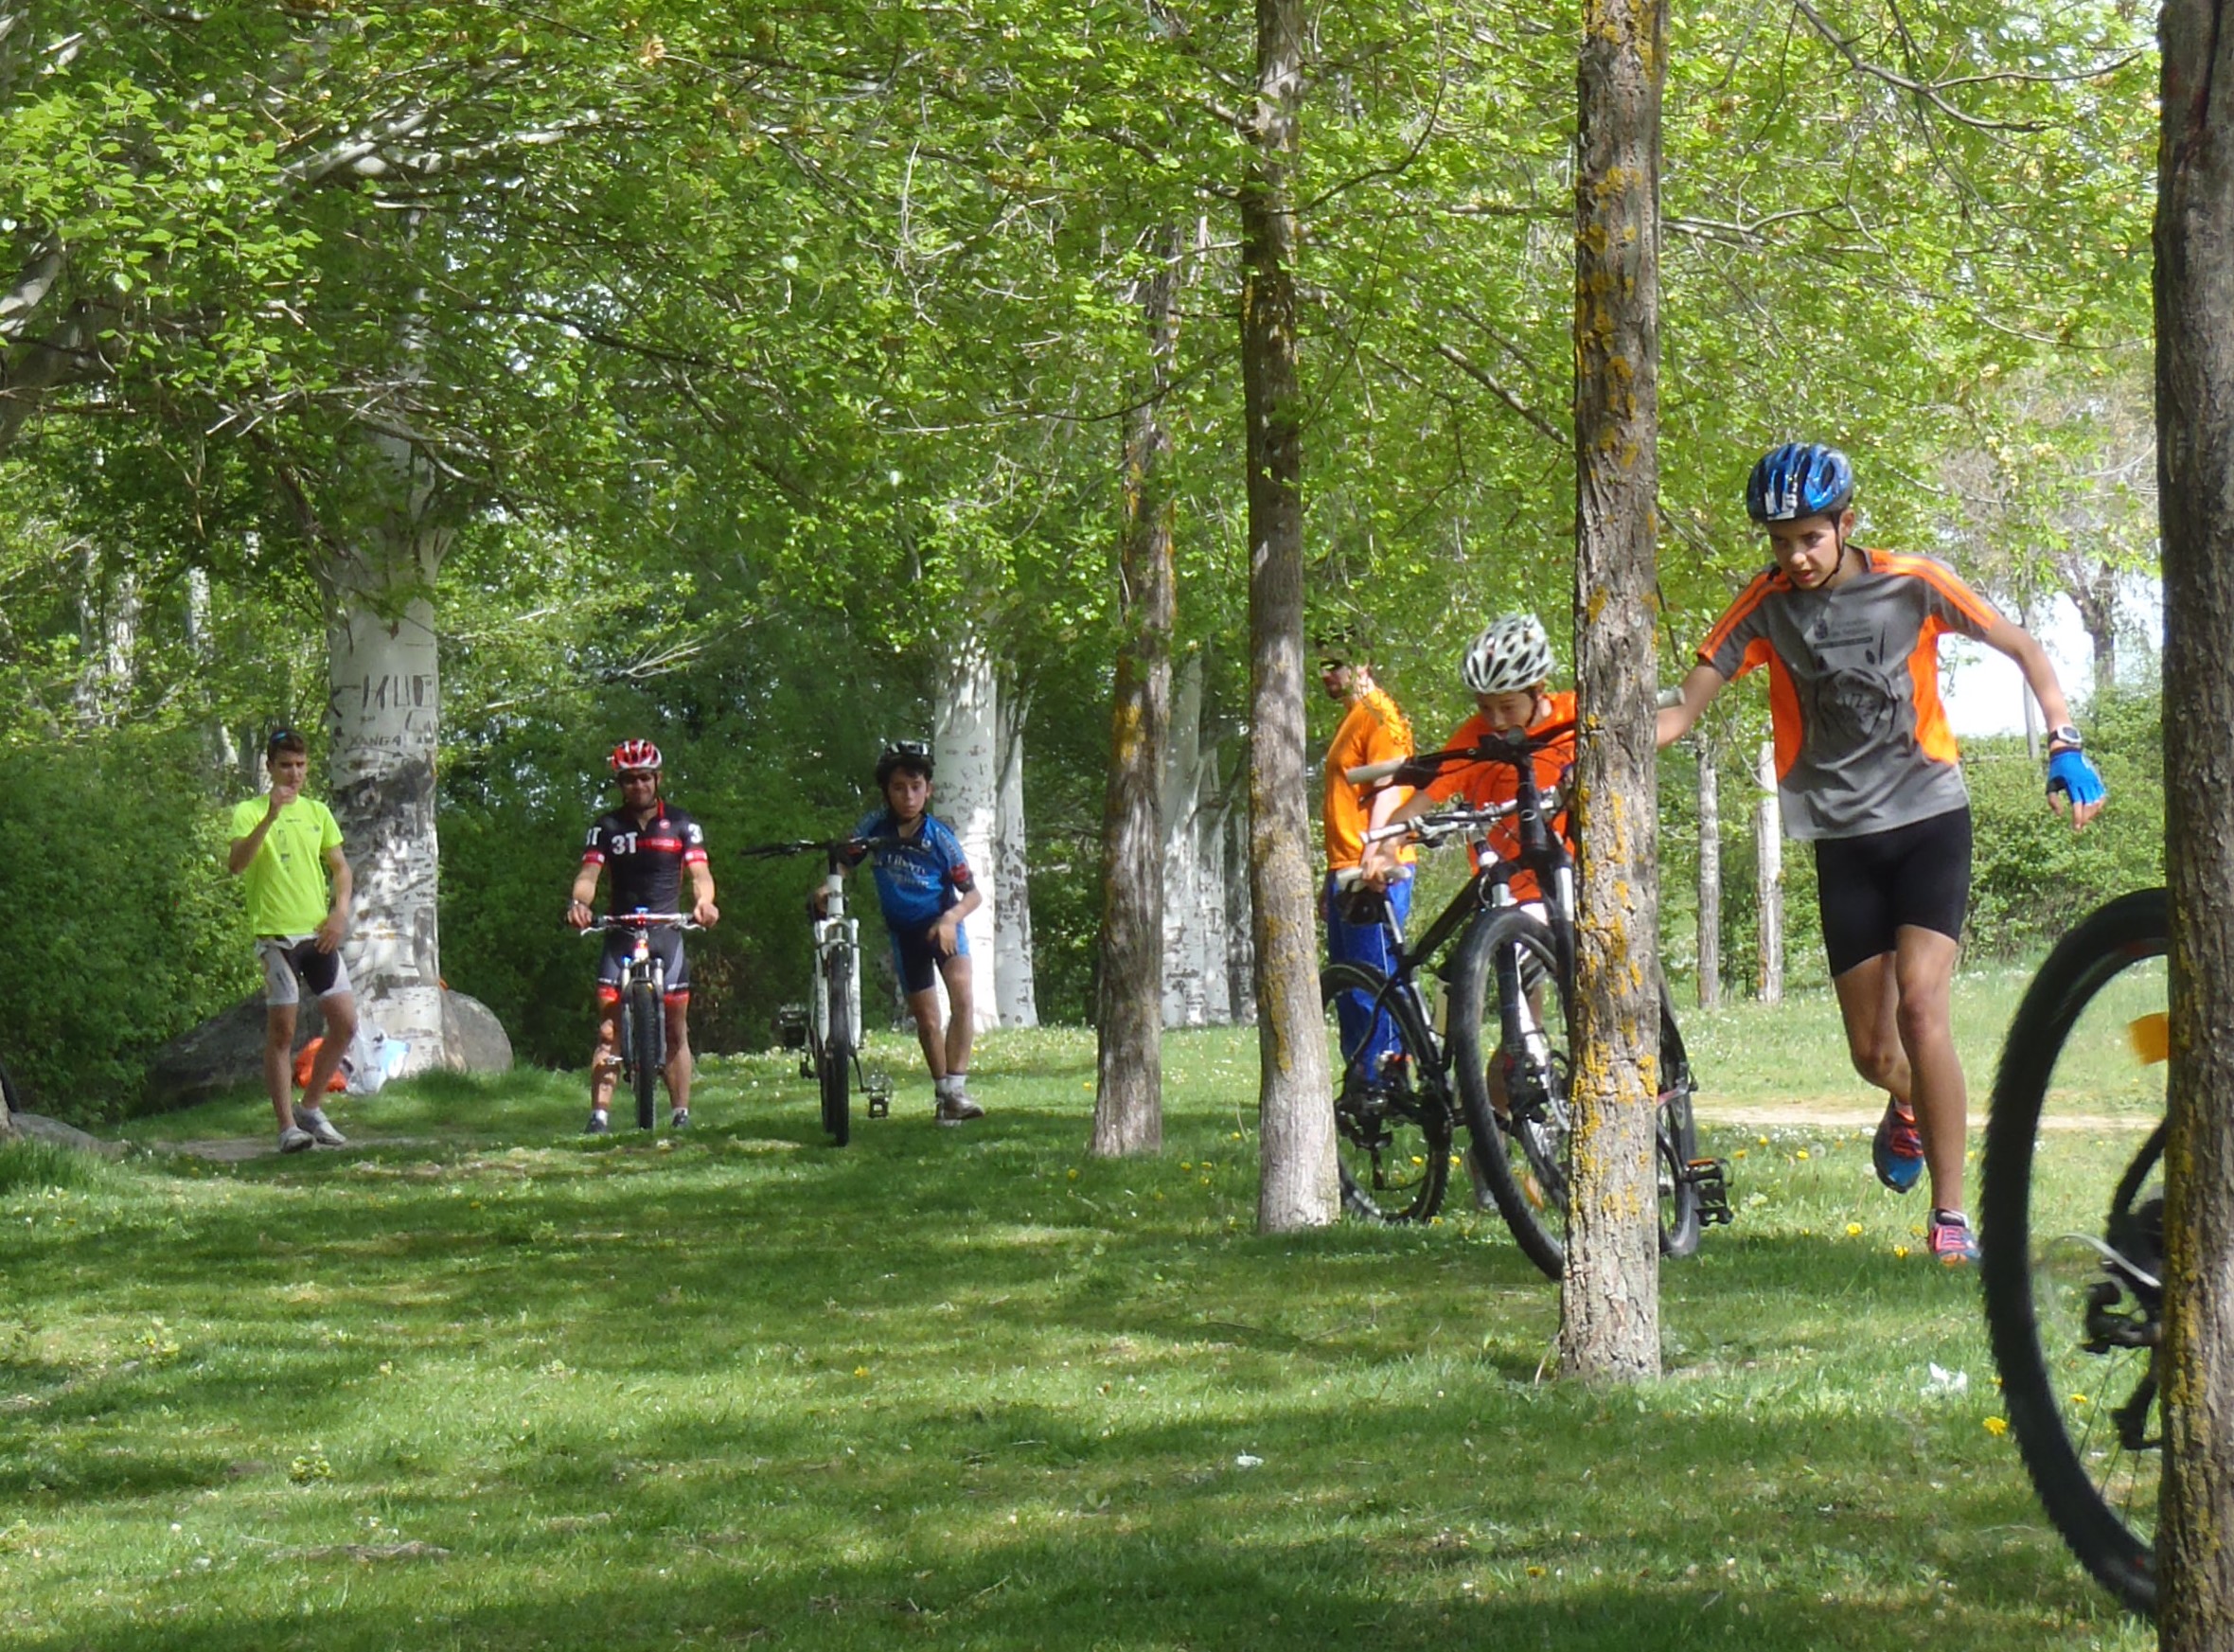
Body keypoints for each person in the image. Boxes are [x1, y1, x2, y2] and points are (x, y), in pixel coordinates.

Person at [1657, 442, 2106, 1266]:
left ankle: (1952, 1217)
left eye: (1810, 538)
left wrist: (2063, 739)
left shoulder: (1912, 581)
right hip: (1843, 841)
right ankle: (1910, 1106)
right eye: (1780, 541)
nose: (1796, 556)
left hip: (1930, 819)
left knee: (1922, 1008)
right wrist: (1599, 741)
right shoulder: (1765, 605)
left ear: (1846, 523)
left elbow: (2023, 646)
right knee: (1873, 1053)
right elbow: (1682, 710)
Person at [565, 739, 719, 1134]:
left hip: (666, 932)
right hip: (620, 932)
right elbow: (588, 875)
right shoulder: (606, 827)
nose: (638, 786)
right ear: (620, 784)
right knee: (608, 1030)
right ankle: (599, 1116)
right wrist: (580, 904)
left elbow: (700, 874)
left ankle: (680, 1113)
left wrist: (705, 904)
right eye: (630, 779)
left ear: (658, 778)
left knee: (675, 1028)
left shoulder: (682, 823)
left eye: (645, 778)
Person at [828, 740, 984, 1125]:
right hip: (905, 934)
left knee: (963, 998)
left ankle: (957, 1089)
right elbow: (845, 861)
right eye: (899, 788)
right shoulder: (874, 827)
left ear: (929, 790)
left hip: (942, 927)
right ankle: (944, 1095)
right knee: (928, 1021)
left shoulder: (940, 837)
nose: (908, 796)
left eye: (916, 787)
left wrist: (949, 920)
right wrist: (830, 887)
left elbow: (972, 894)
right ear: (886, 792)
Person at [226, 728, 358, 1154]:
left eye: (300, 765)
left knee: (345, 1022)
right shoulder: (249, 811)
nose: (294, 774)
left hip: (317, 934)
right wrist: (269, 816)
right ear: (270, 767)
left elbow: (340, 868)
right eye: (285, 765)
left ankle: (311, 1107)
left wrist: (339, 913)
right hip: (276, 936)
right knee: (282, 1031)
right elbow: (236, 864)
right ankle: (286, 1127)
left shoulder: (317, 811)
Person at [1319, 636, 1416, 1075]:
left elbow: (1389, 790)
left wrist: (1373, 857)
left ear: (1363, 662)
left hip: (1373, 870)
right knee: (1350, 987)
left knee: (1374, 985)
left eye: (1336, 663)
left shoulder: (1380, 715)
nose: (1327, 674)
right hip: (1346, 870)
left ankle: (1387, 1082)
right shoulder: (1352, 718)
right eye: (1323, 665)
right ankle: (1362, 1086)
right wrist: (1334, 878)